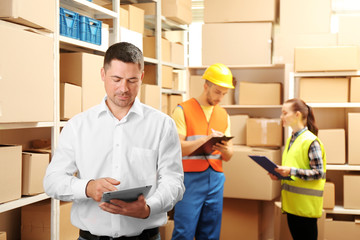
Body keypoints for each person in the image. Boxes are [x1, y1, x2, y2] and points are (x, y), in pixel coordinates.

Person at [43, 42, 185, 240]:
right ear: (103, 74)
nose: (123, 88)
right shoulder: (78, 126)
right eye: (116, 79)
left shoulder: (162, 125)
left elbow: (174, 182)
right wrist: (88, 187)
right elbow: (52, 181)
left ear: (141, 77)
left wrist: (148, 208)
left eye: (132, 80)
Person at [171, 63, 234, 240]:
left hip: (216, 179)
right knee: (184, 232)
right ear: (206, 86)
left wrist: (226, 149)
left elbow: (229, 156)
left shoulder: (223, 114)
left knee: (210, 233)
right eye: (217, 92)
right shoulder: (182, 110)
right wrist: (204, 141)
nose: (220, 97)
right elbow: (177, 147)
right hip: (190, 179)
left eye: (224, 93)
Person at [269, 98, 326, 240]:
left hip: (305, 209)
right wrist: (280, 175)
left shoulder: (310, 141)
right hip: (293, 207)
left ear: (297, 115)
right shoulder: (291, 140)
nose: (281, 117)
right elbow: (295, 169)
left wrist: (291, 171)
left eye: (284, 113)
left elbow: (318, 173)